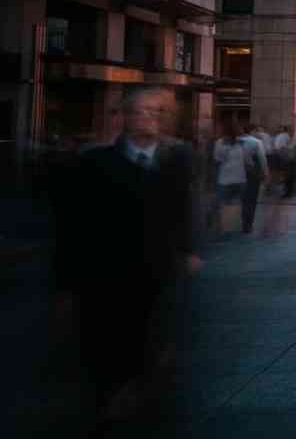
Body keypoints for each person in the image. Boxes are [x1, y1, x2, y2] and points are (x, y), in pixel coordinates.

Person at [55, 88, 202, 426]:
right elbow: (73, 224)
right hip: (107, 266)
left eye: (156, 111)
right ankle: (113, 391)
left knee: (150, 328)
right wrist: (66, 280)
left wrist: (188, 249)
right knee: (107, 332)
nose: (149, 117)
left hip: (156, 265)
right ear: (125, 117)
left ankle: (137, 384)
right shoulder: (95, 162)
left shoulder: (177, 161)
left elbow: (182, 209)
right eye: (142, 111)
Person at [213, 115, 268, 235]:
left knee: (222, 204)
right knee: (246, 203)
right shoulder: (245, 143)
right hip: (240, 178)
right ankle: (244, 226)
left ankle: (222, 228)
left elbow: (217, 160)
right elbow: (251, 162)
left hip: (226, 179)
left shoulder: (221, 143)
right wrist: (262, 173)